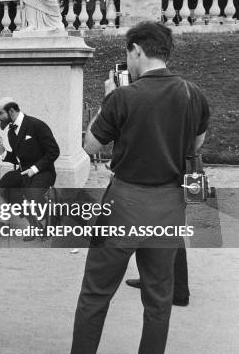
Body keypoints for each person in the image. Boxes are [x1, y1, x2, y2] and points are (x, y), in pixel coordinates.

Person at [71, 21, 210, 354]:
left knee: (95, 293)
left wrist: (108, 100)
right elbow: (197, 143)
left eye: (128, 54)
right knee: (159, 299)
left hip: (126, 201)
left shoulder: (123, 96)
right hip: (170, 204)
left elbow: (91, 146)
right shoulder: (193, 93)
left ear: (136, 51)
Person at [0, 98, 60, 235]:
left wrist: (34, 169)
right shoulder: (11, 132)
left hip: (44, 172)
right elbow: (19, 158)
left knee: (32, 194)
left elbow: (54, 152)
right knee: (4, 186)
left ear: (11, 111)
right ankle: (32, 221)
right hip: (24, 172)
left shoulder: (37, 125)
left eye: (0, 113)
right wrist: (2, 150)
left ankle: (51, 217)